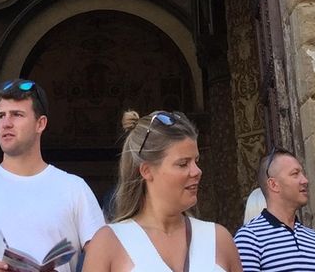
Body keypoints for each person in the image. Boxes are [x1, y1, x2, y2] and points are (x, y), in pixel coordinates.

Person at [0, 79, 105, 272]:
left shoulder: (74, 189)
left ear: (40, 124)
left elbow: (107, 262)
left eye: (17, 115)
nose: (6, 123)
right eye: (1, 116)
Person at [82, 110, 242, 272]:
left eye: (196, 161)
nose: (197, 171)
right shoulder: (109, 242)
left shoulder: (218, 239)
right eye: (183, 164)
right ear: (146, 171)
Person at [234, 150, 315, 272]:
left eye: (302, 173)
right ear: (273, 184)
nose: (305, 180)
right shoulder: (249, 238)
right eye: (295, 174)